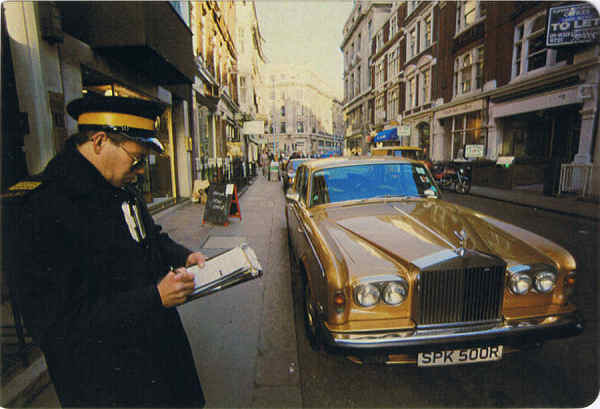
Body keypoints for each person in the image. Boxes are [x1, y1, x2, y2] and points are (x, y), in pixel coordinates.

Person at [15, 96, 207, 408]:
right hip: (108, 386)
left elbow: (149, 237)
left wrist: (182, 256)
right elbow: (59, 325)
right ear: (100, 141)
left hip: (158, 363)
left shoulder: (120, 186)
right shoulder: (45, 208)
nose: (142, 171)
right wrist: (154, 297)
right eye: (137, 159)